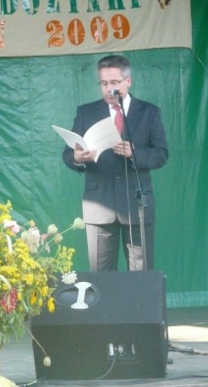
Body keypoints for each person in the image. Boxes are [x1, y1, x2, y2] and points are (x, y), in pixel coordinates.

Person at [62, 54, 169, 271]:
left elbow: (161, 154)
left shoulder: (148, 112)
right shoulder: (86, 112)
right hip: (98, 204)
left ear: (128, 81)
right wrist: (77, 158)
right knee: (102, 277)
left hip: (136, 205)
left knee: (140, 276)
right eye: (104, 83)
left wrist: (135, 153)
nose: (109, 88)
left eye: (114, 82)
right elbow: (68, 154)